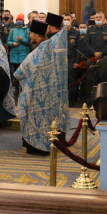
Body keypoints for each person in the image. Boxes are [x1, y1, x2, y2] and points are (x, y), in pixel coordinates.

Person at [15, 14, 69, 155]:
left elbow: (22, 70)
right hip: (45, 89)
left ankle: (36, 146)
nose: (30, 36)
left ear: (38, 35)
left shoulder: (42, 49)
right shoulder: (48, 45)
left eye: (32, 33)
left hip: (37, 90)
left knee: (37, 118)